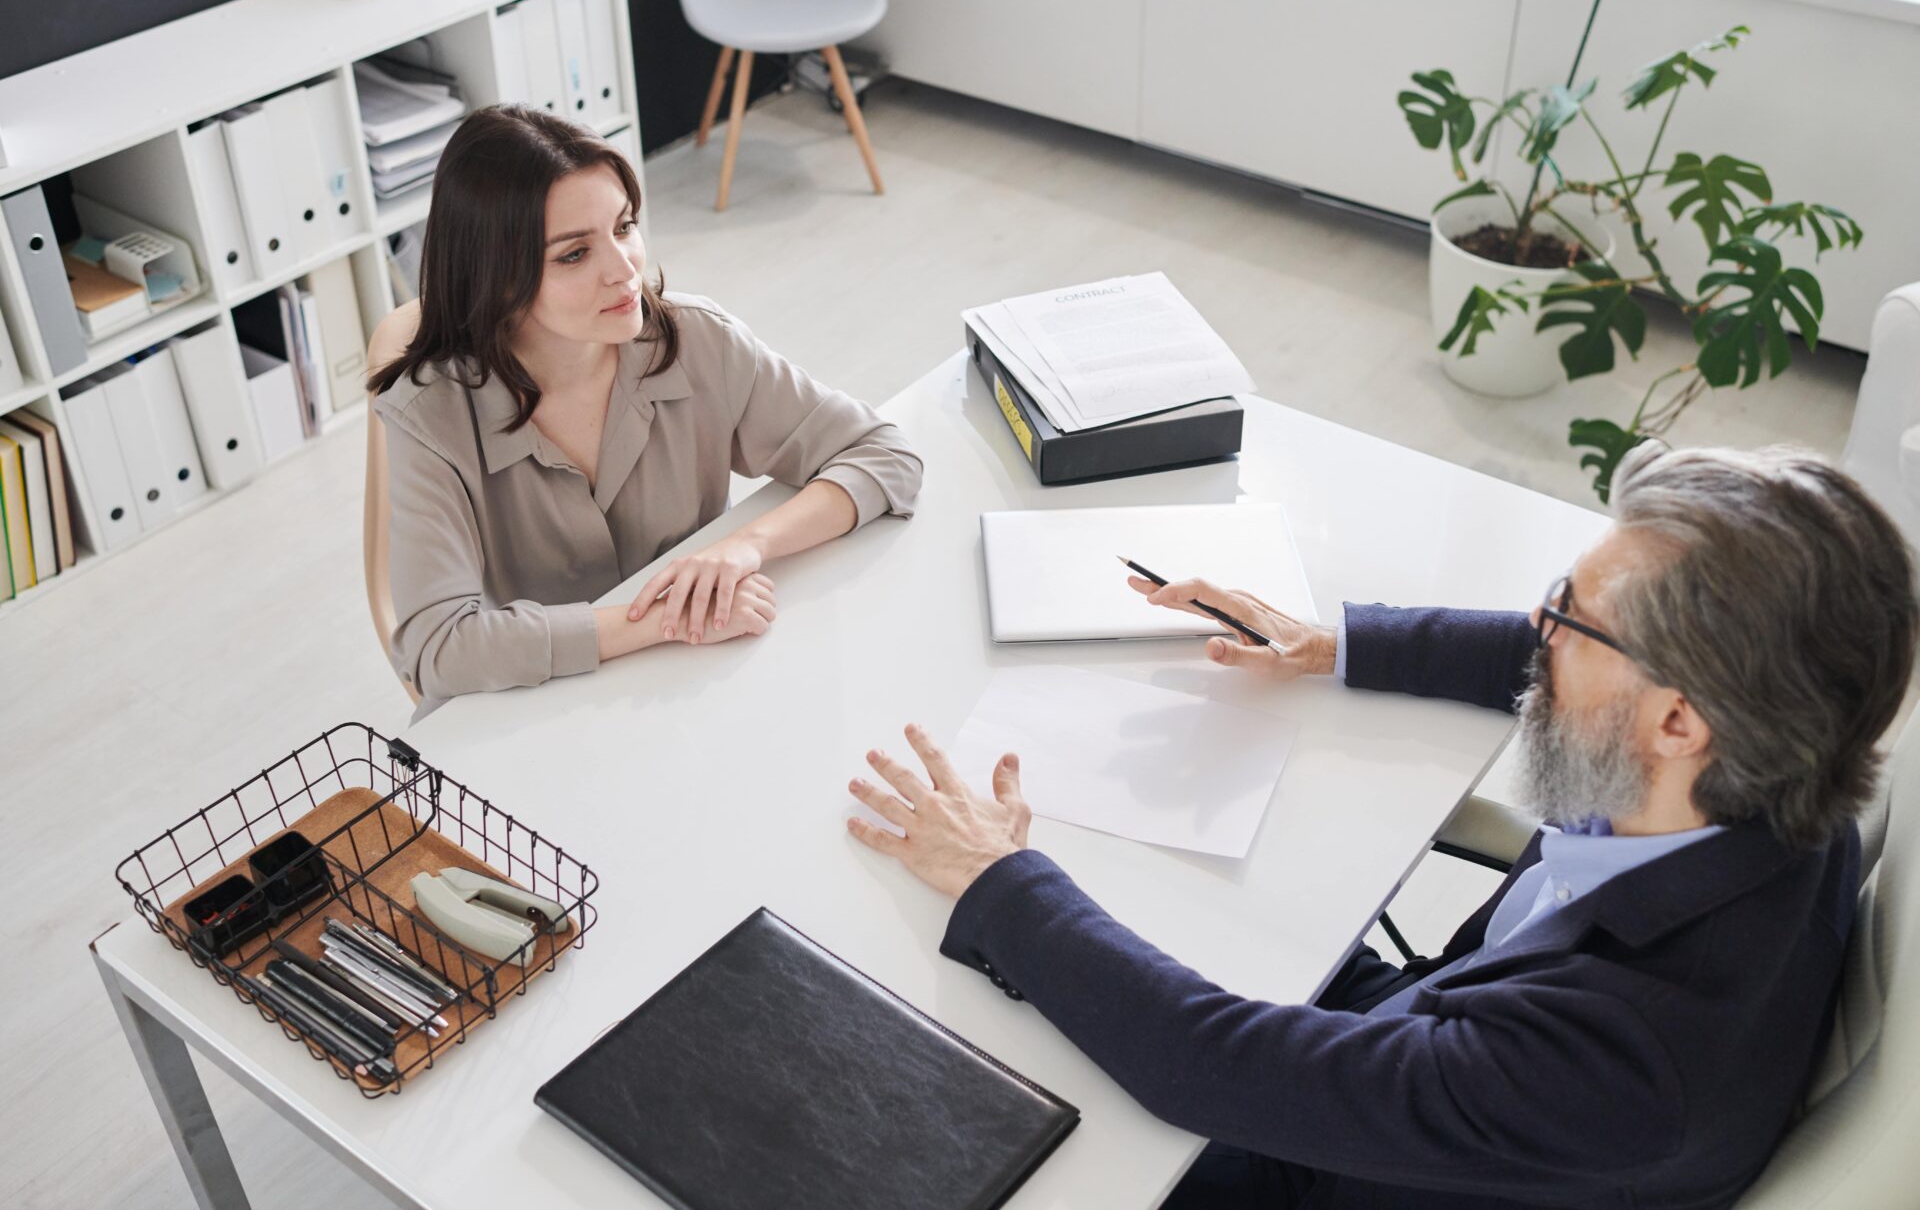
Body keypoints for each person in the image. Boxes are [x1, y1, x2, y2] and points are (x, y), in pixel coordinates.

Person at [844, 442, 1918, 1209]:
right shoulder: (1781, 770)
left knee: (908, 1085)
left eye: (1566, 616)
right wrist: (1335, 642)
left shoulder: (1622, 1062)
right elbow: (1568, 661)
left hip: (1330, 1164)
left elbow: (1208, 1068)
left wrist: (999, 877)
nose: (1536, 629)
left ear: (1680, 719)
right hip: (1433, 1039)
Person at [369, 106, 921, 713]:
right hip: (541, 707)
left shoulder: (697, 341)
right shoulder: (431, 416)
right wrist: (661, 620)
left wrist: (747, 544)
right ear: (496, 276)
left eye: (625, 227)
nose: (623, 268)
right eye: (574, 255)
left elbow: (883, 455)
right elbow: (438, 648)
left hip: (702, 681)